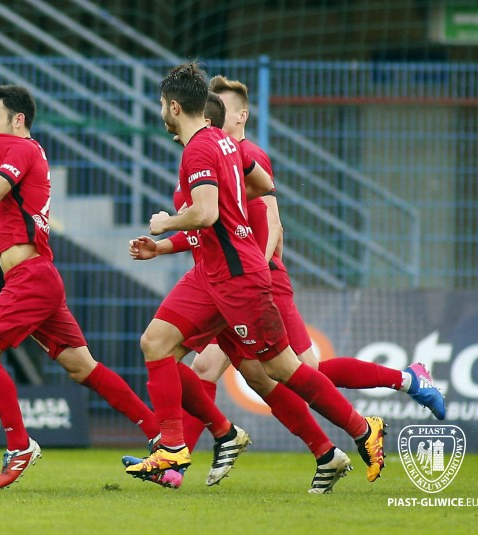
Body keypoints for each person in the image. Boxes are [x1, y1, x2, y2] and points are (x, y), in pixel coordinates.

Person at [124, 63, 385, 493]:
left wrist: (165, 222)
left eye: (161, 105)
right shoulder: (225, 143)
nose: (161, 112)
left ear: (174, 107)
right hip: (209, 275)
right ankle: (173, 447)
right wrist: (222, 216)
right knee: (156, 343)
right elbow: (263, 185)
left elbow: (206, 213)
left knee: (281, 369)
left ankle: (362, 428)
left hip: (237, 277)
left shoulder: (198, 150)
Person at [0, 85, 161, 489]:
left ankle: (19, 446)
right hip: (38, 278)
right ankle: (161, 438)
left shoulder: (20, 149)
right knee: (83, 368)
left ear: (17, 120)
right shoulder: (21, 155)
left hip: (30, 279)